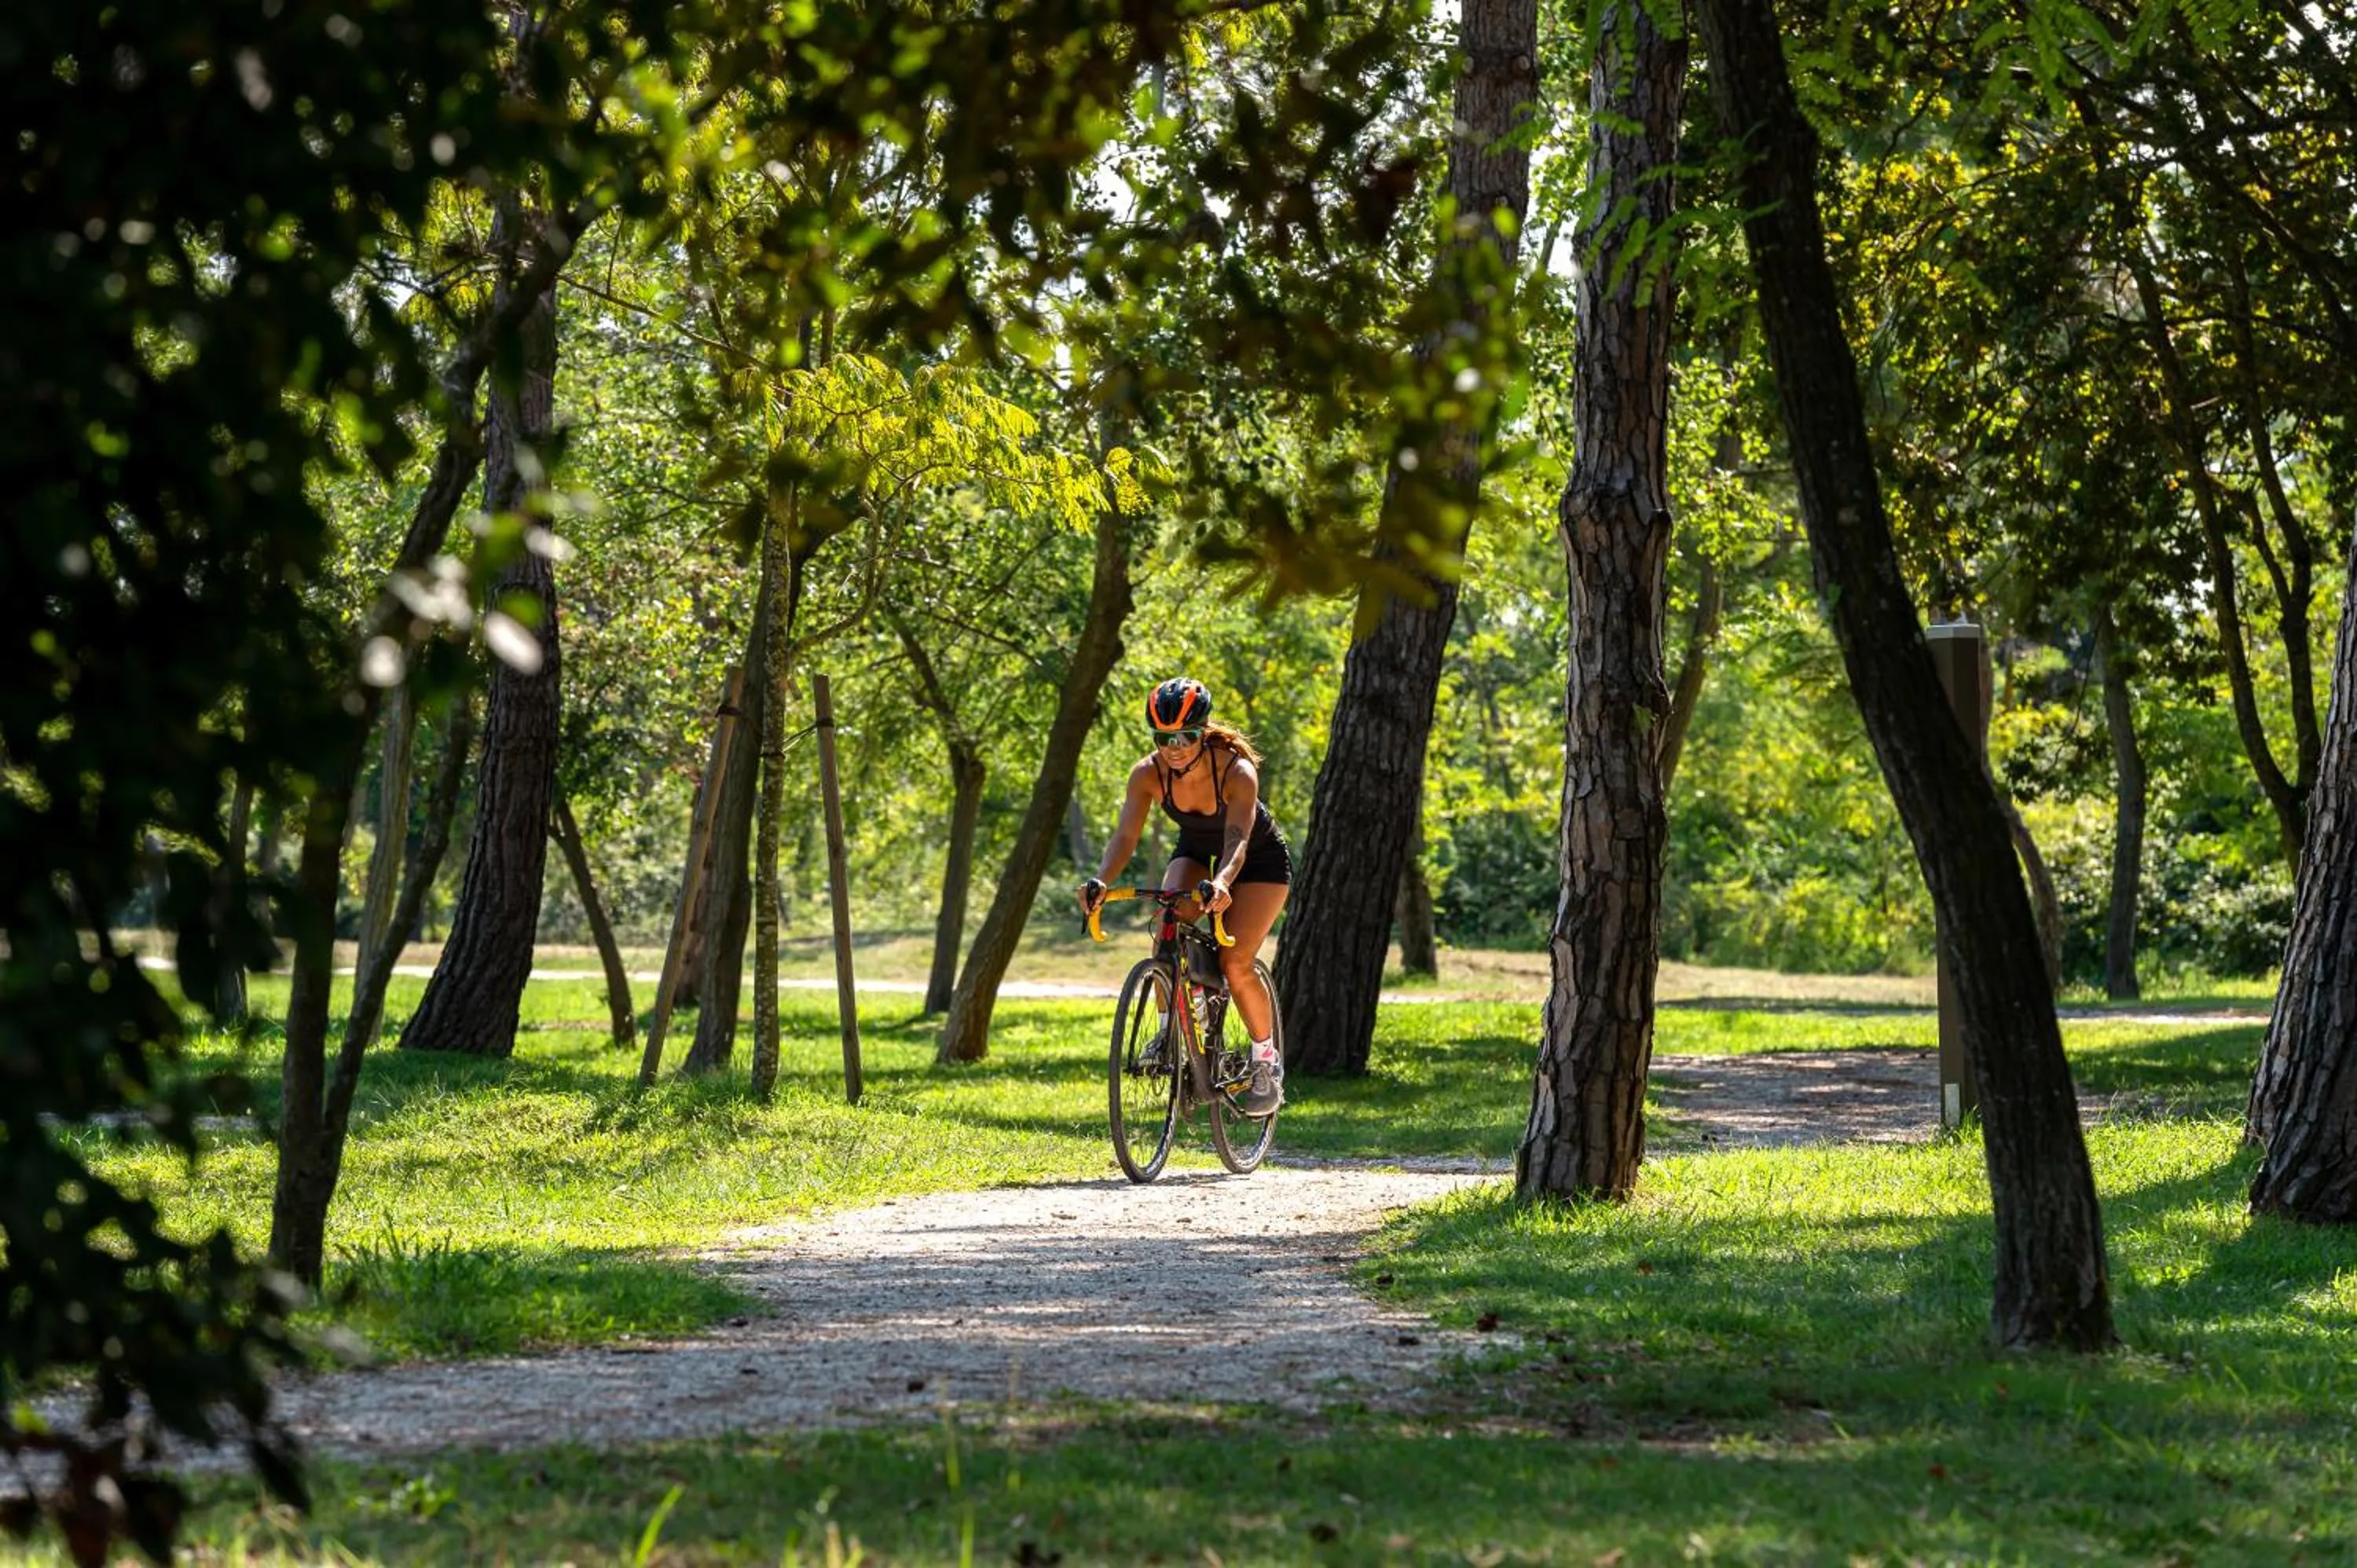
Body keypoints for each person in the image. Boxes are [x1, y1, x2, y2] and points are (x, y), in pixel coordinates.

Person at [1080, 677, 1292, 1116]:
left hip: (1256, 862)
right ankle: (1167, 1033)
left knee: (1235, 962)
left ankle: (1266, 1064)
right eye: (1163, 738)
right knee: (1165, 924)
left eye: (1186, 736)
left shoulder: (1236, 771)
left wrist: (1223, 884)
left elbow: (1237, 842)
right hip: (1197, 851)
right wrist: (1100, 880)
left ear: (1203, 731)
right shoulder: (1147, 774)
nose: (1174, 747)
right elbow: (1125, 836)